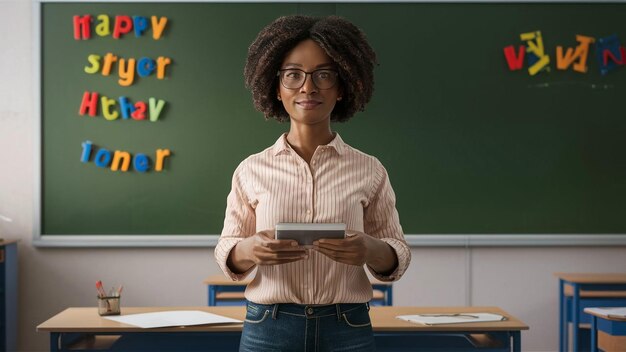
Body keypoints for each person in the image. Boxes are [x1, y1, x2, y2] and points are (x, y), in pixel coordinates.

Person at [215, 15, 411, 352]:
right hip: (269, 326)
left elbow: (397, 251)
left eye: (324, 75)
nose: (308, 87)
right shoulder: (251, 170)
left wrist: (371, 250)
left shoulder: (370, 170)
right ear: (276, 88)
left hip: (347, 326)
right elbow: (227, 247)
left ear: (342, 86)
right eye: (293, 75)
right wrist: (248, 250)